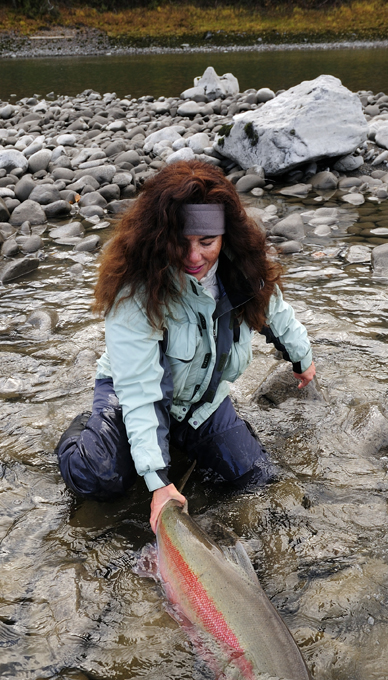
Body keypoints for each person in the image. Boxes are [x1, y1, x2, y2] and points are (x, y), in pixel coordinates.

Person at [56, 161, 315, 532]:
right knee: (100, 477)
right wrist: (157, 482)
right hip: (131, 394)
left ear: (225, 236)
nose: (194, 257)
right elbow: (141, 391)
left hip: (201, 403)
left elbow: (276, 314)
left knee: (256, 480)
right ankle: (85, 432)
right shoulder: (134, 289)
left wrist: (301, 357)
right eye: (181, 242)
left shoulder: (243, 269)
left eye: (206, 242)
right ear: (161, 236)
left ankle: (184, 440)